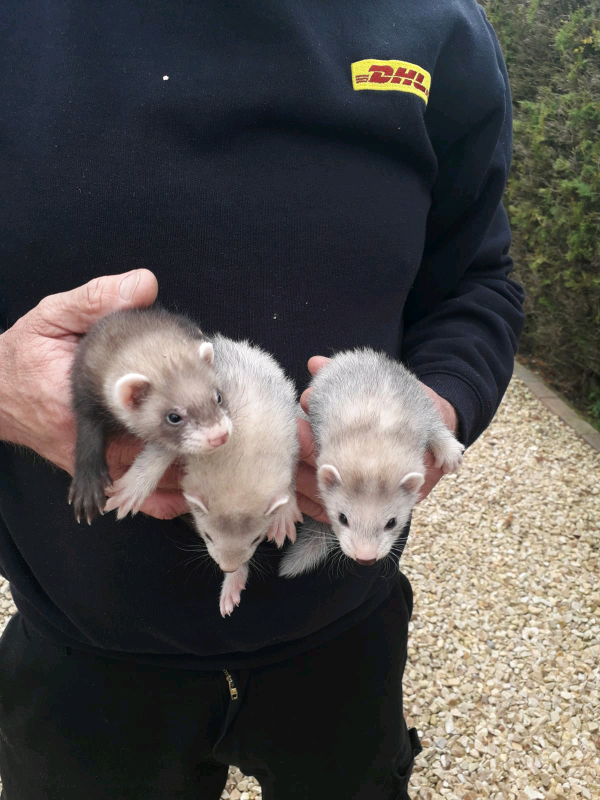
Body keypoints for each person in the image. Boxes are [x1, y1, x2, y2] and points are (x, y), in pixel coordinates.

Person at [0, 1, 524, 797]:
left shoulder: (440, 26)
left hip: (345, 635)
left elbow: (476, 282)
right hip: (80, 650)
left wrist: (438, 410)